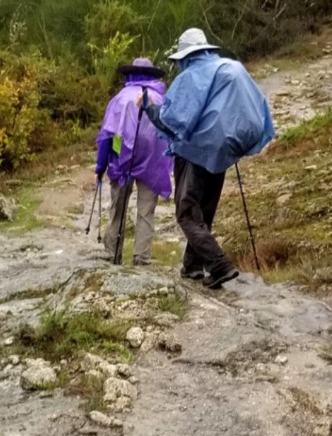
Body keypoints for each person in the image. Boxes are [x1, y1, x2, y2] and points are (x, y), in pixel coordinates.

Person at [141, 28, 275, 289]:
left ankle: (219, 265)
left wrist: (148, 106)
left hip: (196, 151)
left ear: (186, 57)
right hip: (224, 150)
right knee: (204, 210)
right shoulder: (231, 67)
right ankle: (192, 267)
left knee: (187, 213)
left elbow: (171, 122)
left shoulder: (192, 76)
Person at [94, 56, 172, 265]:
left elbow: (108, 135)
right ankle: (141, 257)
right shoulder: (160, 99)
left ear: (130, 74)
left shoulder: (120, 98)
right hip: (153, 162)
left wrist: (100, 166)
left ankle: (112, 253)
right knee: (146, 211)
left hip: (122, 160)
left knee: (118, 206)